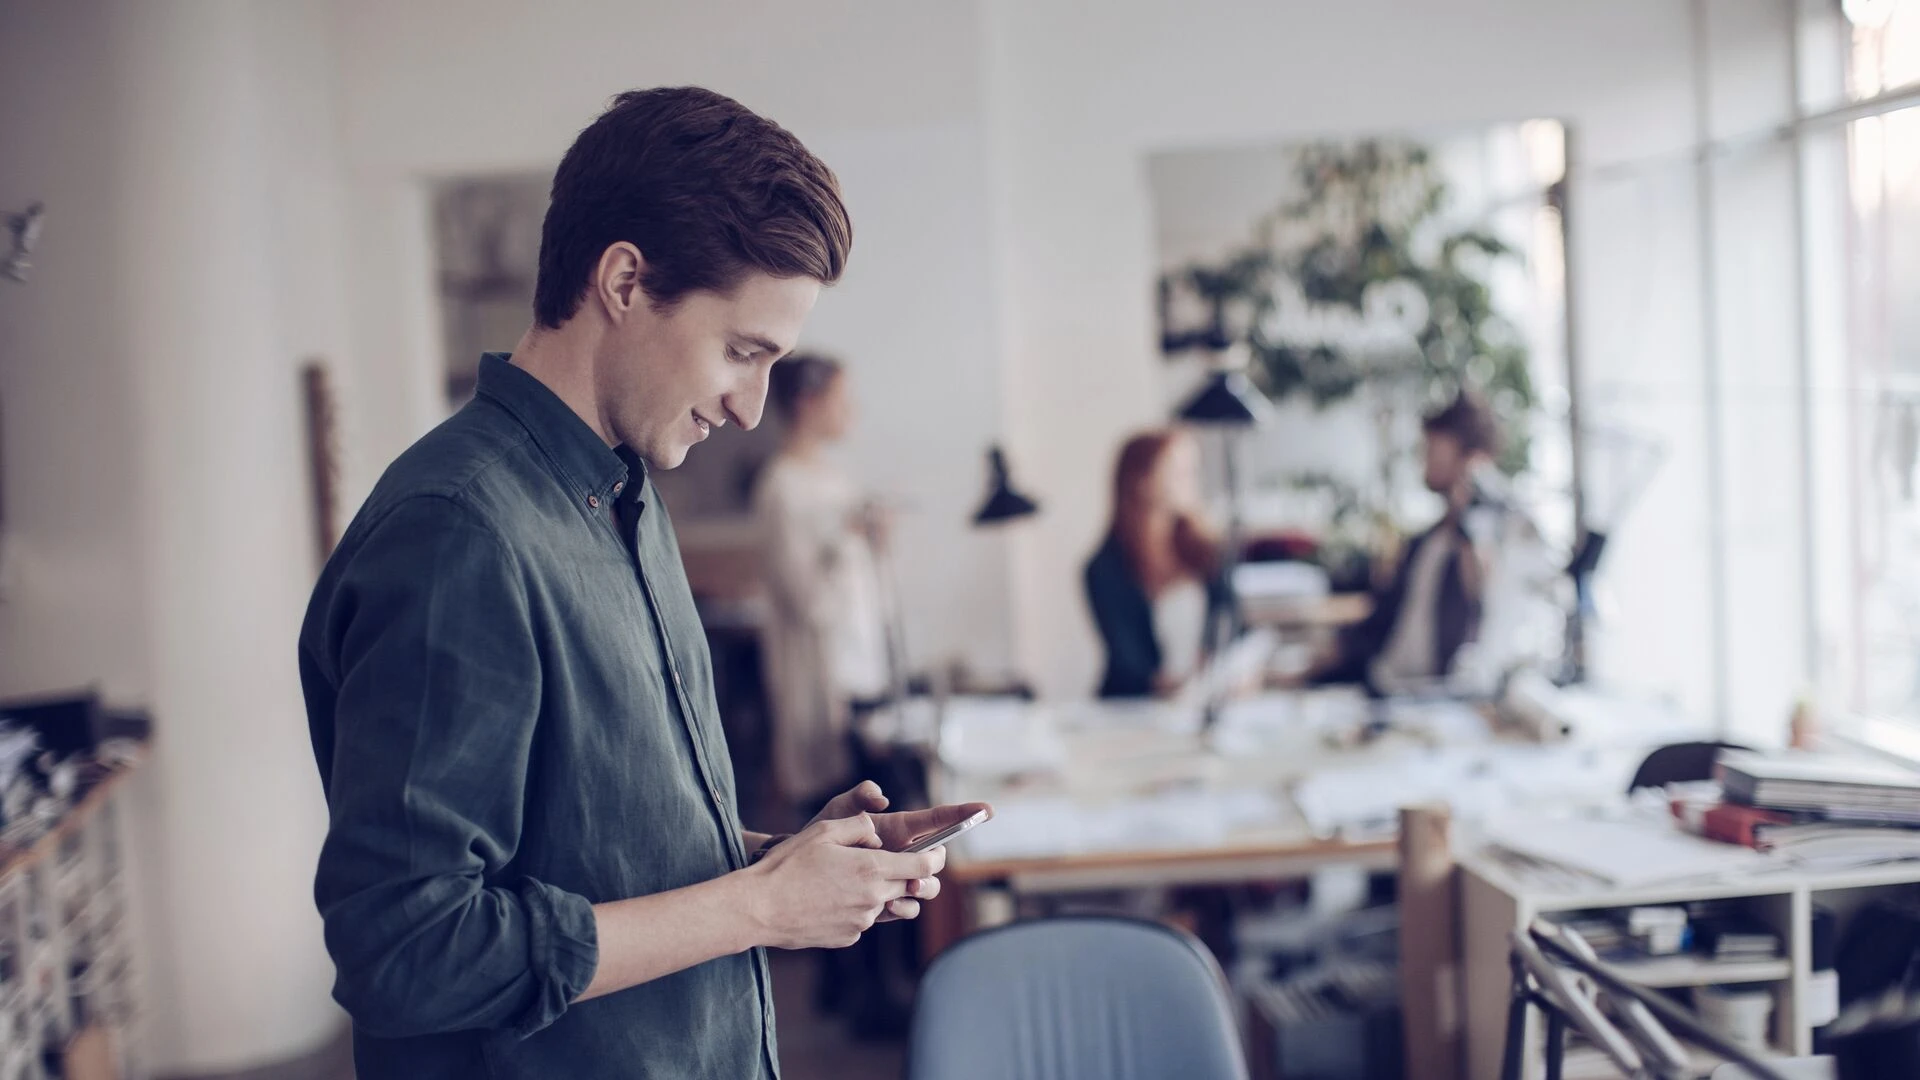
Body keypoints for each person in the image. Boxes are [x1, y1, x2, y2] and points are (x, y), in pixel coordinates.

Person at [299, 87, 986, 1080]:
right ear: (624, 281)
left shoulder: (626, 494)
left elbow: (599, 848)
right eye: (742, 352)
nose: (752, 409)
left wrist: (781, 862)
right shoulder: (457, 535)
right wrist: (757, 907)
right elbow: (408, 951)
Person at [751, 354, 892, 813]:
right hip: (820, 679)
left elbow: (863, 589)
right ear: (808, 403)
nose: (851, 411)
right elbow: (808, 600)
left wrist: (875, 543)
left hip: (862, 672)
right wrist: (845, 539)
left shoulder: (835, 479)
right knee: (835, 809)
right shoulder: (782, 488)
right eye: (841, 399)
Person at [1314, 390, 1502, 694]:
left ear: (1470, 458)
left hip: (1435, 697)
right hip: (1380, 684)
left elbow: (1484, 603)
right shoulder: (1425, 541)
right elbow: (1382, 621)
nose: (1422, 460)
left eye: (1431, 450)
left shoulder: (1488, 539)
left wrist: (1471, 509)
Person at [1084, 428, 1234, 698]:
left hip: (1205, 701)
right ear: (1141, 480)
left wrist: (1226, 674)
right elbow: (1127, 661)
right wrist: (1170, 686)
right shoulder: (1104, 568)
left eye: (1192, 470)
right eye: (1179, 471)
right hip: (1134, 708)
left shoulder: (1208, 552)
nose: (1190, 481)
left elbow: (1231, 622)